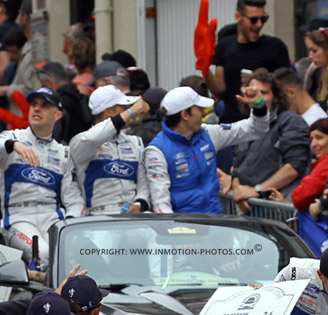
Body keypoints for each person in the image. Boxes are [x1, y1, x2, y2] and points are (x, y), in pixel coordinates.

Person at [0, 88, 84, 269]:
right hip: (18, 219)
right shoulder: (13, 137)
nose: (37, 109)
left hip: (53, 219)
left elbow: (74, 199)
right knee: (44, 254)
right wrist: (11, 146)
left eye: (45, 106)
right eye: (34, 104)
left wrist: (69, 223)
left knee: (76, 251)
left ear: (57, 115)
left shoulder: (64, 153)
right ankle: (41, 296)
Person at [143, 85, 269, 214]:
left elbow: (255, 129)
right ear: (185, 114)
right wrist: (177, 231)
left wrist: (259, 105)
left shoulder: (208, 133)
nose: (203, 113)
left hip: (214, 223)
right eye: (199, 109)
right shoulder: (157, 150)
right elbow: (161, 205)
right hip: (183, 227)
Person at [231, 68, 311, 206]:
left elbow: (294, 166)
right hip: (250, 209)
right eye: (253, 92)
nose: (258, 97)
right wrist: (239, 192)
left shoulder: (291, 121)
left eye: (263, 92)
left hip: (277, 209)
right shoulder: (245, 125)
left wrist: (257, 191)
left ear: (276, 96)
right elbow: (237, 168)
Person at [69, 86, 151, 215]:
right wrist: (131, 112)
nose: (128, 111)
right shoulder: (82, 141)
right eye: (123, 108)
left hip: (132, 216)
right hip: (98, 217)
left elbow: (144, 181)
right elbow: (93, 137)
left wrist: (138, 204)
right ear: (109, 112)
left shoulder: (135, 142)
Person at [207, 0, 290, 123]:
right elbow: (219, 89)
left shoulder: (276, 47)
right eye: (253, 19)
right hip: (233, 123)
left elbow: (286, 90)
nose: (259, 24)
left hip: (266, 123)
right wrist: (204, 69)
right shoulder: (225, 46)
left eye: (263, 19)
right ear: (238, 16)